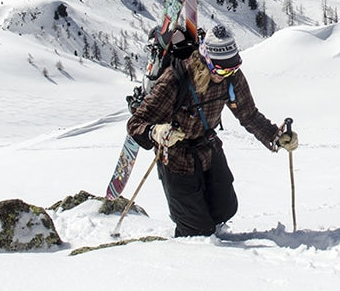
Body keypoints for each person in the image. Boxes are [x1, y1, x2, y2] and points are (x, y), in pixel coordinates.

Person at [127, 25, 298, 237]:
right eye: (221, 69)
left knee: (226, 209)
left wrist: (277, 137)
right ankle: (188, 242)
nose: (226, 74)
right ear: (206, 59)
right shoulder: (176, 79)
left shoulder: (231, 76)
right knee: (197, 229)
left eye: (233, 68)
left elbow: (249, 115)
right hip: (176, 158)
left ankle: (203, 226)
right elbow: (135, 124)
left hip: (208, 149)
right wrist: (156, 132)